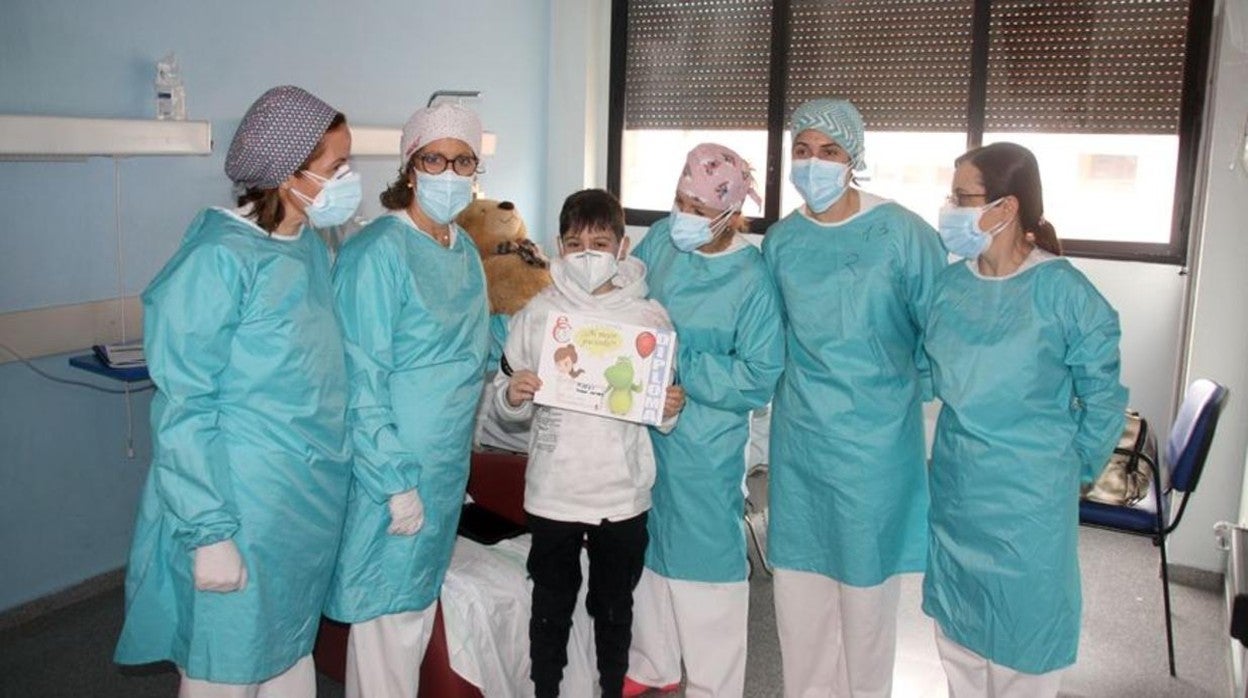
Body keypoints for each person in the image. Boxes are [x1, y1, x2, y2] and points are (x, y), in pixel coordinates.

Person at [114, 85, 358, 697]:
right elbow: (183, 407)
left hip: (301, 504)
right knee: (225, 662)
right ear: (285, 175)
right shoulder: (218, 258)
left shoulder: (305, 245)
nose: (347, 180)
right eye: (336, 168)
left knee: (287, 652)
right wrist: (210, 531)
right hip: (238, 504)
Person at [923, 142, 1127, 698]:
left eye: (962, 197)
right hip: (959, 493)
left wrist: (1069, 469)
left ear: (1005, 208)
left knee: (1024, 651)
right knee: (961, 641)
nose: (950, 208)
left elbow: (1103, 398)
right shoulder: (950, 288)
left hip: (1028, 506)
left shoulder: (1063, 292)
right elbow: (927, 372)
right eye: (952, 196)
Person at [761, 98, 947, 698]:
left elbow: (939, 335)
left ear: (854, 158)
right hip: (801, 442)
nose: (813, 164)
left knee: (866, 602)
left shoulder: (902, 232)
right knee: (800, 595)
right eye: (802, 151)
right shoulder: (782, 241)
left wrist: (891, 392)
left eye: (829, 151)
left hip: (874, 447)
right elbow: (776, 335)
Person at [323, 102, 490, 698]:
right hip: (389, 474)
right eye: (434, 158)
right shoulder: (377, 255)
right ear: (410, 166)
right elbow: (358, 382)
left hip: (443, 467)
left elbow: (473, 348)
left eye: (462, 159)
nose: (449, 171)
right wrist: (394, 482)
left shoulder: (462, 249)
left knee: (414, 611)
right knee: (386, 624)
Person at [495, 188, 685, 698]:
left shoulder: (649, 319)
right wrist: (513, 393)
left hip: (621, 493)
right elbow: (504, 399)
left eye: (600, 242)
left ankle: (608, 689)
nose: (588, 254)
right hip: (554, 490)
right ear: (559, 246)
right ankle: (545, 691)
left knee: (614, 605)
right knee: (550, 605)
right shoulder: (538, 315)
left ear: (623, 248)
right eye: (576, 244)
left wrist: (668, 408)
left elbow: (663, 407)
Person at [623, 143, 784, 698]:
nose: (683, 217)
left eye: (697, 208)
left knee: (705, 559)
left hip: (707, 441)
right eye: (679, 201)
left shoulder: (751, 280)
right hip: (644, 429)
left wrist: (680, 364)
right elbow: (628, 292)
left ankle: (714, 683)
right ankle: (653, 664)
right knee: (648, 544)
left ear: (731, 211)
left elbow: (760, 375)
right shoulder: (663, 242)